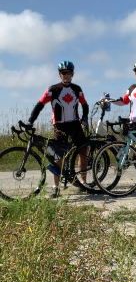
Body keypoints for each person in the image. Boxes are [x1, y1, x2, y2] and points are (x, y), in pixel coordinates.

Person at [27, 61, 89, 197]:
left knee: (83, 151)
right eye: (63, 73)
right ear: (59, 74)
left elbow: (85, 105)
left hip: (75, 124)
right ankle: (55, 186)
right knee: (58, 155)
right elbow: (40, 105)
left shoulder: (77, 89)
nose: (66, 75)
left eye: (68, 73)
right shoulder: (52, 89)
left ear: (72, 74)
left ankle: (83, 181)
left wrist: (85, 118)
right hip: (59, 126)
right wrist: (30, 121)